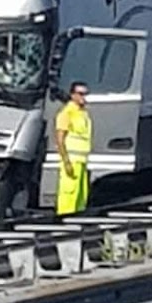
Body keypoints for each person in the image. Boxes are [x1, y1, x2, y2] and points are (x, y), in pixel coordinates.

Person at [55, 80, 92, 216]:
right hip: (71, 162)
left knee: (81, 199)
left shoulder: (83, 114)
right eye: (80, 93)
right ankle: (63, 225)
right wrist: (66, 162)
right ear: (72, 95)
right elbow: (60, 139)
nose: (84, 97)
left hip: (82, 162)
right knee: (68, 198)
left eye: (86, 94)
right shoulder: (66, 113)